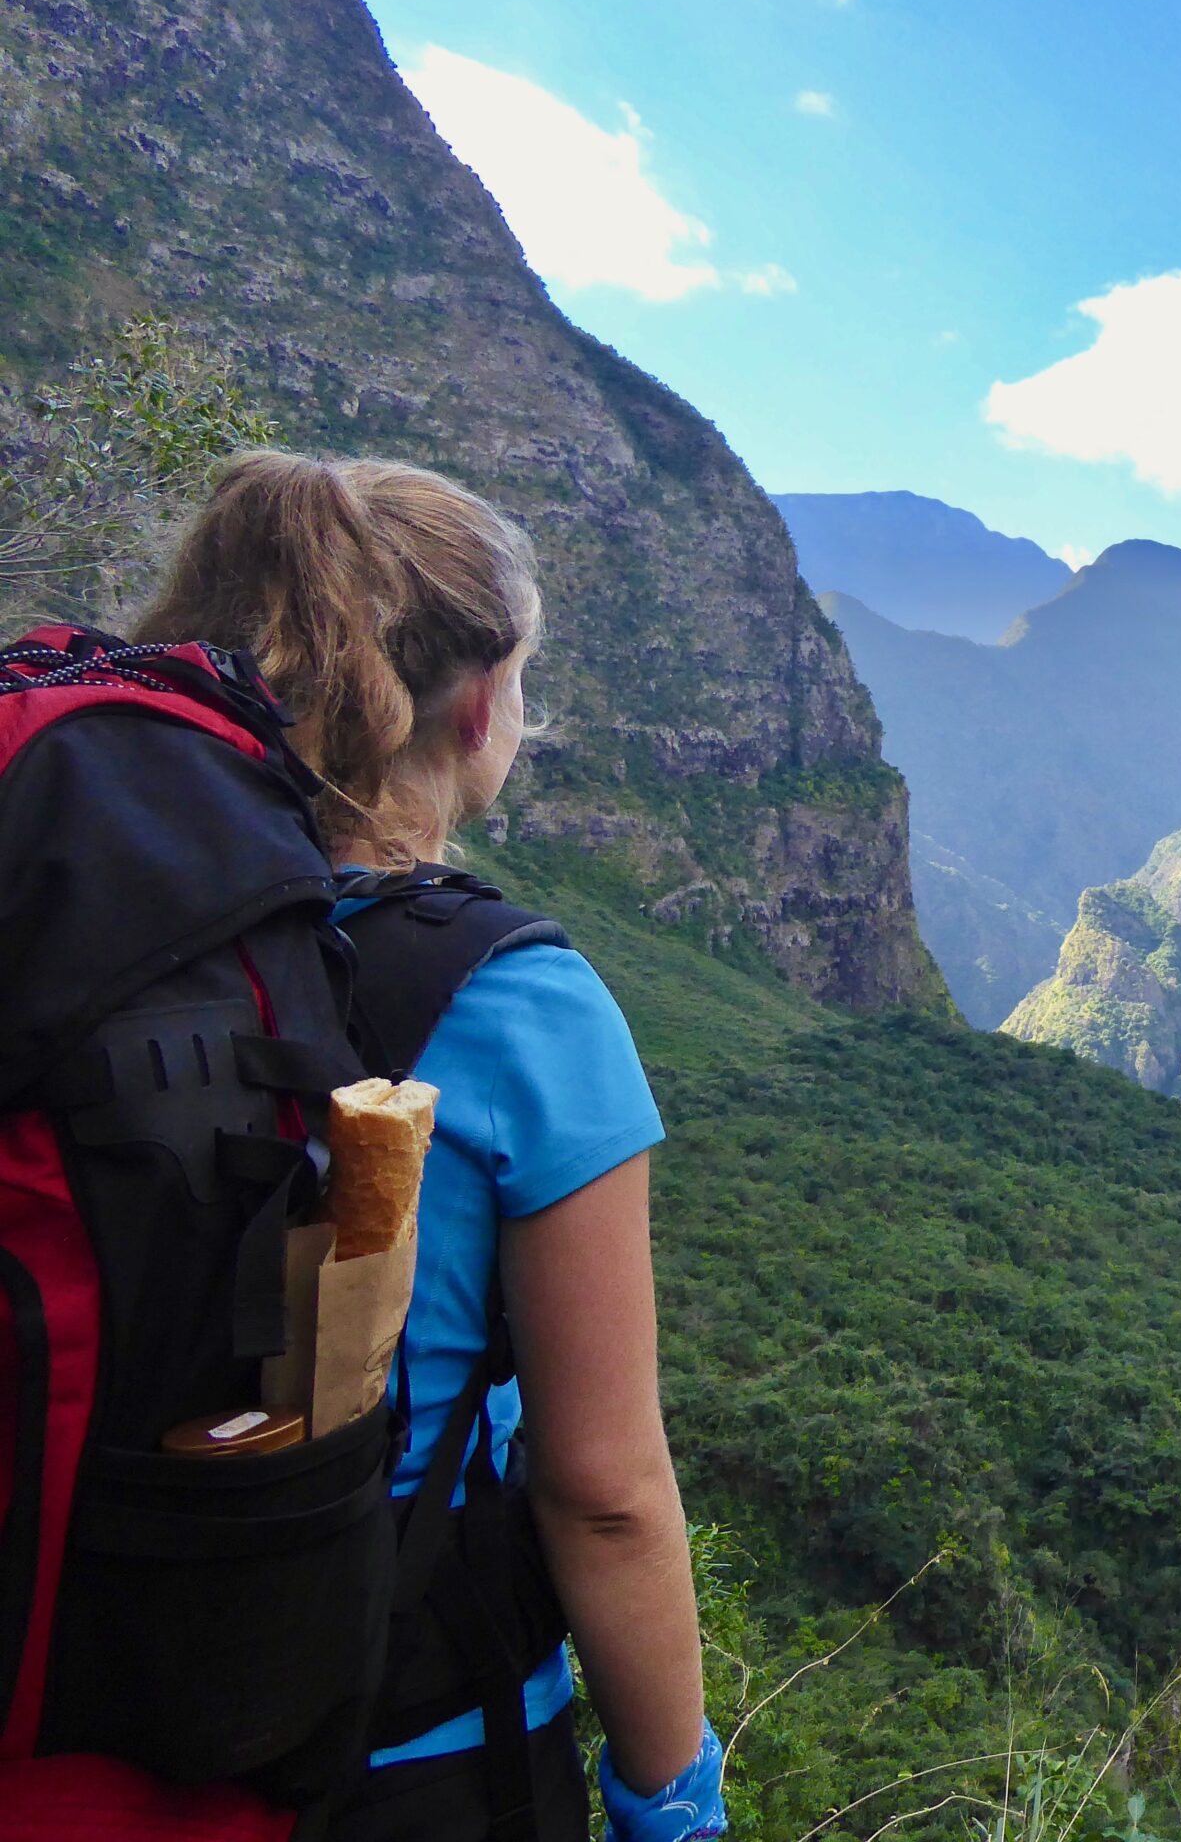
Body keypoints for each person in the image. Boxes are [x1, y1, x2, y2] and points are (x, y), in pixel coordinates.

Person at [133, 450, 725, 1842]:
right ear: (471, 708)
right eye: (521, 678)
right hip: (408, 1745)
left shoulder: (93, 941)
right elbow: (606, 1496)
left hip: (90, 1695)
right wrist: (673, 1804)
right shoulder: (523, 1003)